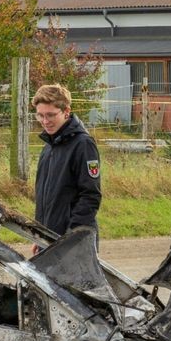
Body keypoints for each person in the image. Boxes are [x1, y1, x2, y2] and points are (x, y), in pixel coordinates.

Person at [31, 84, 101, 251]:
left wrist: (71, 237)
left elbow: (90, 196)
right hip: (49, 240)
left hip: (74, 242)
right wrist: (39, 235)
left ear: (66, 111)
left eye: (50, 115)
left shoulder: (83, 144)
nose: (45, 121)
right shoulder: (49, 146)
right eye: (40, 115)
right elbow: (45, 198)